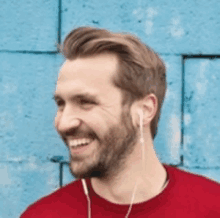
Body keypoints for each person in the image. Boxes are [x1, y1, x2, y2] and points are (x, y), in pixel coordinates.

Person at [20, 27, 220, 218]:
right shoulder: (42, 215)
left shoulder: (212, 207)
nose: (64, 123)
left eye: (86, 102)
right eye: (61, 104)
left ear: (144, 110)